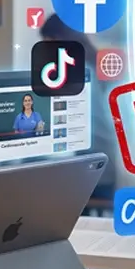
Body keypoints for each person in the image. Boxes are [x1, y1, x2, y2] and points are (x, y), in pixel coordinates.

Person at [38, 14, 117, 199]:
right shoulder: (93, 67)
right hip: (106, 166)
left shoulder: (76, 74)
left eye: (48, 42)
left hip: (92, 172)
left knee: (28, 172)